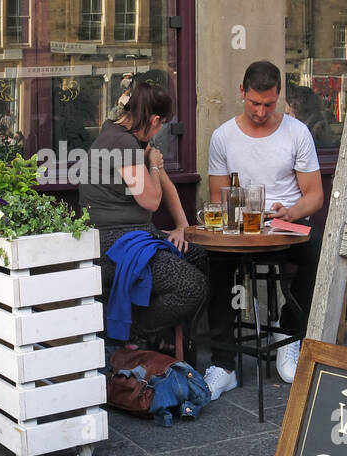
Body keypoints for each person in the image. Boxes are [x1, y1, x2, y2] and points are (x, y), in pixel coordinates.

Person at [204, 60, 323, 397]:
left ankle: (288, 332)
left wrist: (291, 210)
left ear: (278, 96)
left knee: (319, 253)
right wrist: (238, 218)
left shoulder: (297, 132)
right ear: (242, 92)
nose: (260, 111)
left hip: (287, 224)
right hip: (242, 228)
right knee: (215, 259)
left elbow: (314, 196)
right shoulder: (223, 136)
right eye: (254, 103)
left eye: (268, 104)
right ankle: (223, 363)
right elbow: (217, 197)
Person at [78, 80, 207, 350]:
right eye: (161, 126)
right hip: (115, 243)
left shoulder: (120, 133)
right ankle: (131, 333)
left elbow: (164, 183)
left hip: (132, 236)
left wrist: (183, 227)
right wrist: (154, 167)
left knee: (201, 254)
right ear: (155, 120)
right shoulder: (124, 144)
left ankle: (171, 341)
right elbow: (150, 199)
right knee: (191, 287)